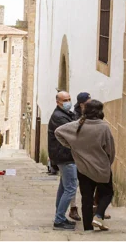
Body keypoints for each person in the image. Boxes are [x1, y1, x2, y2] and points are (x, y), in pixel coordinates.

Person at [55, 100, 115, 231]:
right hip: (101, 168)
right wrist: (108, 163)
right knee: (108, 193)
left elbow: (58, 132)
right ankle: (98, 215)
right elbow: (110, 150)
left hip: (83, 169)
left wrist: (72, 146)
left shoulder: (77, 125)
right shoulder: (103, 127)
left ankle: (88, 228)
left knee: (86, 199)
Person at [48, 91, 78, 230]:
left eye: (69, 99)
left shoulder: (64, 114)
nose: (68, 102)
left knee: (64, 187)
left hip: (62, 156)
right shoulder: (59, 117)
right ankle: (59, 220)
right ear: (58, 102)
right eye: (65, 100)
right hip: (65, 156)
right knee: (71, 187)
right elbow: (73, 131)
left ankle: (59, 216)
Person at [68, 92, 91, 221]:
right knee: (73, 183)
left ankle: (91, 207)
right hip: (75, 155)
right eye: (88, 101)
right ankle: (73, 208)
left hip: (86, 154)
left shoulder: (88, 115)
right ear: (82, 104)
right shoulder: (75, 117)